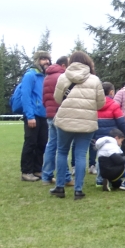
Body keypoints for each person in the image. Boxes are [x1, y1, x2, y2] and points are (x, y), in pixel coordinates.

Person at [50, 51, 105, 200]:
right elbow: (101, 103)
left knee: (61, 152)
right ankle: (78, 190)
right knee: (81, 155)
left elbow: (56, 98)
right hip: (87, 121)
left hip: (65, 120)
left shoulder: (63, 77)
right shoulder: (94, 80)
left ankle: (60, 187)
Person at [41, 56, 73, 186]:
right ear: (64, 66)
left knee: (51, 145)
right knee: (62, 147)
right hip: (60, 114)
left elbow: (44, 99)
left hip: (50, 113)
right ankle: (65, 177)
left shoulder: (47, 77)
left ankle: (47, 175)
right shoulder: (62, 77)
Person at [19, 50, 51, 181]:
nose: (47, 61)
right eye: (43, 59)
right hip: (33, 115)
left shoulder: (44, 76)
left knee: (42, 143)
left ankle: (37, 169)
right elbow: (25, 96)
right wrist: (30, 116)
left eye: (48, 59)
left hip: (43, 115)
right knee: (30, 143)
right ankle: (26, 171)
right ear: (37, 60)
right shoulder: (30, 75)